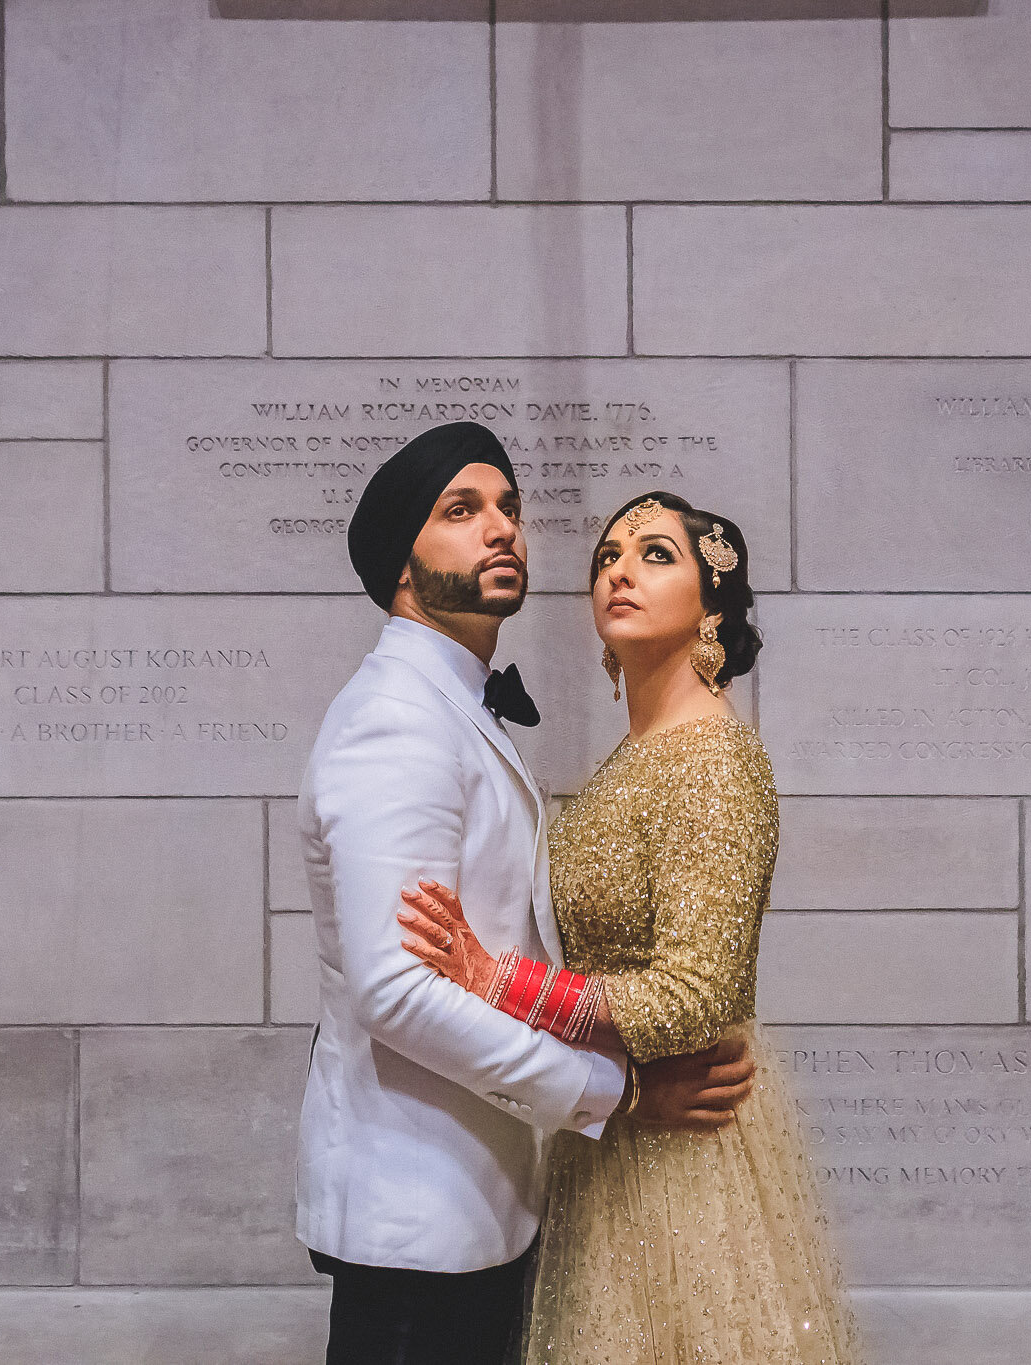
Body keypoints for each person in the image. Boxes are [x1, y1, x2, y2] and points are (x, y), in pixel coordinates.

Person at [296, 426, 760, 1365]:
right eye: (461, 512)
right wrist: (618, 1092)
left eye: (509, 507)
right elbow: (395, 992)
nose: (501, 528)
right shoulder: (399, 721)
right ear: (402, 565)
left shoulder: (461, 710)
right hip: (421, 1210)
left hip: (492, 1192)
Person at [397, 490, 862, 1364]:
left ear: (712, 605)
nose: (619, 569)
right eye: (608, 554)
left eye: (656, 554)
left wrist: (497, 980)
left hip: (686, 1155)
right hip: (621, 1128)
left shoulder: (713, 760)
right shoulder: (640, 754)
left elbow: (696, 994)